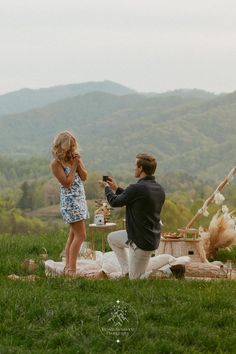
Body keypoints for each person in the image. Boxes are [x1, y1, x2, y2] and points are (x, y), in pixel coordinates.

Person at [99, 153, 165, 279]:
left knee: (135, 280)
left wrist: (107, 188)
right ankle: (126, 270)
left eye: (135, 166)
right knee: (112, 238)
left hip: (140, 242)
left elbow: (114, 202)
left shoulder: (137, 188)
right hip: (145, 237)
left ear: (140, 169)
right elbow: (133, 198)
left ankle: (168, 268)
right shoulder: (158, 188)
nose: (134, 168)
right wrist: (116, 188)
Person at [51, 131, 89, 276]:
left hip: (80, 199)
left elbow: (85, 177)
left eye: (74, 145)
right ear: (63, 146)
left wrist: (78, 164)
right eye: (70, 145)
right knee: (81, 236)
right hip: (70, 202)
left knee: (73, 235)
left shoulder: (75, 159)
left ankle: (68, 267)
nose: (73, 148)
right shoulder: (56, 163)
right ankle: (72, 269)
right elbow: (66, 183)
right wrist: (73, 167)